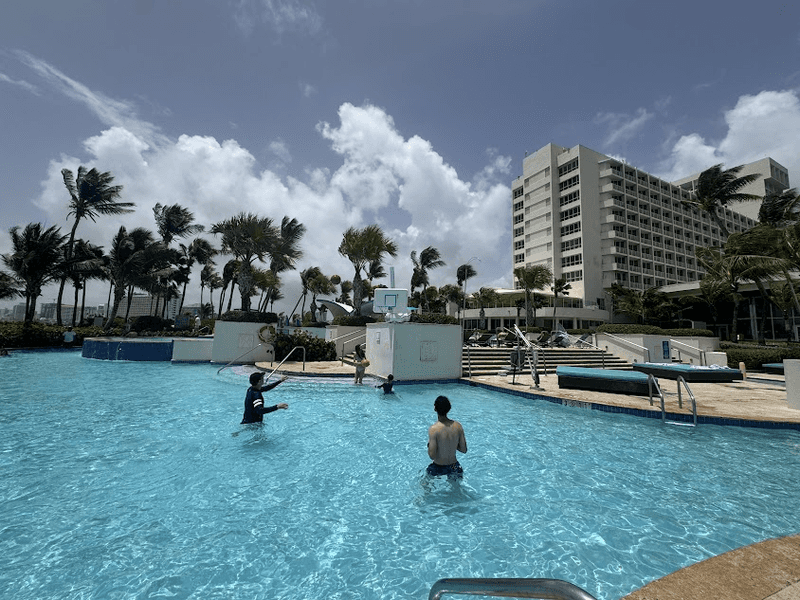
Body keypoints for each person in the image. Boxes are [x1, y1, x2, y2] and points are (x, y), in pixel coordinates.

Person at [426, 395, 467, 479]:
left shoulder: (434, 429)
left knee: (424, 484)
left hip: (438, 467)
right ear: (449, 408)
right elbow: (464, 449)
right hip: (454, 467)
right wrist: (452, 444)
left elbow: (432, 455)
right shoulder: (458, 426)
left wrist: (429, 446)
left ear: (435, 408)